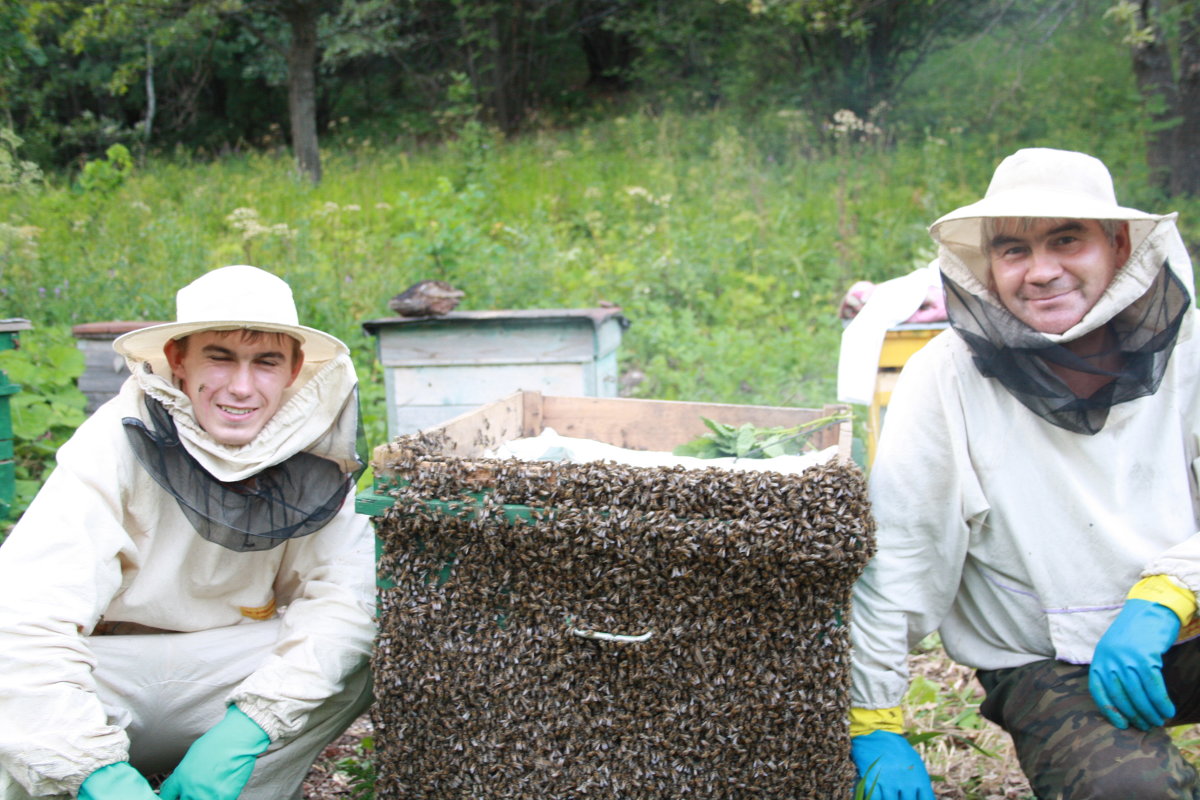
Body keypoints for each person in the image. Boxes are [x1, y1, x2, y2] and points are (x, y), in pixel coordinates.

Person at [848, 148, 1200, 799]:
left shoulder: (1192, 352)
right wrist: (874, 721)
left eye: (1066, 240)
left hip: (1182, 626)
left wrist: (1169, 596)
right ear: (988, 263)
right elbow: (899, 550)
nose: (1040, 272)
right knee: (1134, 793)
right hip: (1047, 661)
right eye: (1013, 250)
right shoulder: (944, 377)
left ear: (1118, 245)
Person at [0, 265, 375, 800]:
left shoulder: (311, 449)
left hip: (224, 683)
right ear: (178, 360)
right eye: (219, 357)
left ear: (293, 369)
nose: (241, 387)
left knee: (350, 656)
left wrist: (250, 729)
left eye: (265, 362)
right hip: (107, 680)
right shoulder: (112, 441)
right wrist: (92, 771)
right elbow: (23, 618)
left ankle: (233, 787)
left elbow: (348, 596)